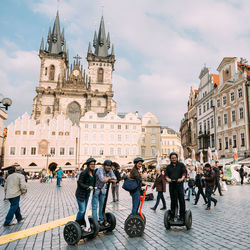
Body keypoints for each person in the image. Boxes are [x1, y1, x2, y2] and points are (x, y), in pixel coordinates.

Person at [92, 160, 116, 225]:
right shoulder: (100, 170)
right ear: (104, 165)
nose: (108, 167)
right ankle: (95, 221)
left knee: (102, 205)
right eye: (107, 166)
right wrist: (110, 178)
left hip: (102, 189)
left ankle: (101, 219)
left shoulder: (110, 170)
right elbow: (103, 180)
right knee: (95, 206)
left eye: (110, 166)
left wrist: (108, 178)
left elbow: (115, 179)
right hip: (96, 189)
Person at [165, 152, 186, 221]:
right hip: (172, 185)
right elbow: (166, 174)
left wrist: (182, 178)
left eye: (175, 158)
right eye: (172, 158)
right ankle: (172, 215)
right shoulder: (168, 167)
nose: (174, 159)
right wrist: (167, 178)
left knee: (181, 200)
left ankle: (182, 216)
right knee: (173, 201)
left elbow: (184, 172)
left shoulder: (181, 165)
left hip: (179, 185)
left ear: (177, 158)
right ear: (170, 159)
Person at [75, 158, 96, 228]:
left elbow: (94, 182)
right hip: (81, 194)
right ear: (88, 165)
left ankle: (83, 221)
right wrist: (88, 187)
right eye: (91, 164)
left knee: (86, 210)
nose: (93, 165)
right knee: (82, 210)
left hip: (88, 194)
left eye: (94, 164)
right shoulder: (84, 173)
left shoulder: (93, 172)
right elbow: (80, 183)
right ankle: (77, 223)